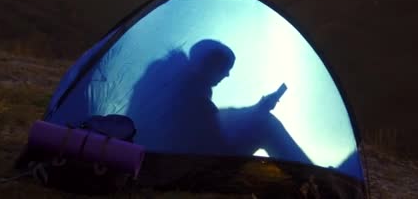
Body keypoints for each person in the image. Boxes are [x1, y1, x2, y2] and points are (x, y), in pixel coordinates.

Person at [128, 39, 310, 164]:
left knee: (251, 116)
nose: (228, 75)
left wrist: (255, 109)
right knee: (265, 124)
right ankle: (312, 180)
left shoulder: (169, 79)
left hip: (152, 155)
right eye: (225, 69)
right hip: (182, 167)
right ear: (211, 65)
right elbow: (214, 146)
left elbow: (214, 120)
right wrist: (256, 116)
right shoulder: (193, 98)